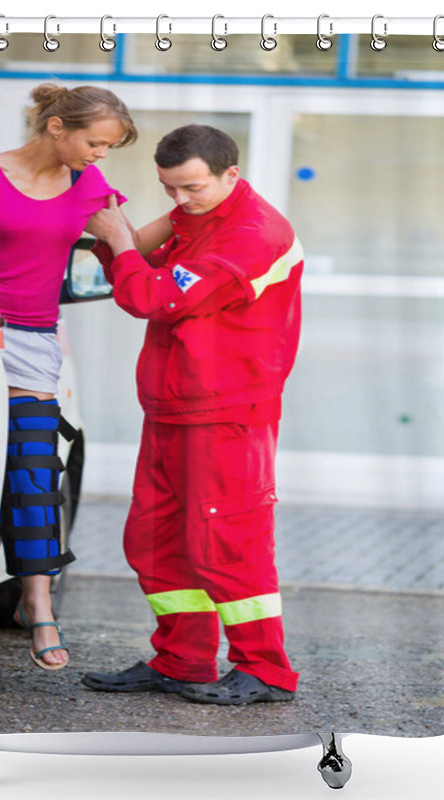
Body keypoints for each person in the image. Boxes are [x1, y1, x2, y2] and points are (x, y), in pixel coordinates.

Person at [81, 124, 304, 704]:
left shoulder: (255, 234)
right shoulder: (195, 215)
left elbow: (153, 296)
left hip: (226, 411)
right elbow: (134, 266)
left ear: (232, 173)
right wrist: (110, 230)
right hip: (173, 406)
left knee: (227, 542)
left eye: (192, 188)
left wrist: (121, 243)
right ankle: (182, 661)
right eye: (168, 188)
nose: (179, 200)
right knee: (156, 538)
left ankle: (266, 670)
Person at [0, 84, 140, 670]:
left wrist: (198, 221)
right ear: (56, 126)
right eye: (96, 143)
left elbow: (126, 245)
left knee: (36, 472)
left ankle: (37, 606)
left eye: (110, 148)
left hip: (34, 342)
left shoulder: (90, 188)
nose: (101, 156)